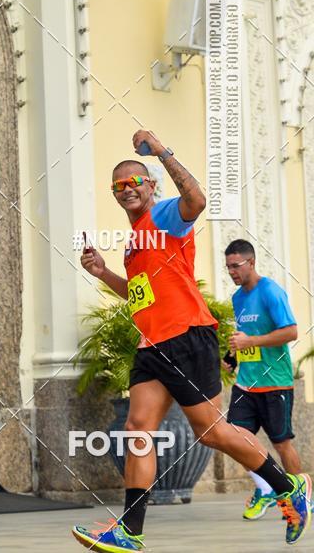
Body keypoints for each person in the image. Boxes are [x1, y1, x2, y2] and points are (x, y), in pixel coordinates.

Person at [71, 130, 311, 551]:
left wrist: (161, 150)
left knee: (212, 433)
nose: (126, 189)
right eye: (118, 186)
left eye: (134, 182)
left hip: (186, 336)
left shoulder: (165, 215)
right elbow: (138, 294)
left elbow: (197, 200)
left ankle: (288, 487)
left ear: (150, 187)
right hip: (152, 344)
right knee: (137, 428)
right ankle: (130, 531)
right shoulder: (133, 244)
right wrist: (103, 273)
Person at [223, 238, 304, 523]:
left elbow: (292, 331)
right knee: (233, 439)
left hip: (276, 383)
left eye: (236, 266)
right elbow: (244, 337)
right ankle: (266, 488)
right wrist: (232, 357)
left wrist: (251, 340)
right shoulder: (237, 299)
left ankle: (299, 496)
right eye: (228, 267)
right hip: (246, 382)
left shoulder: (271, 292)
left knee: (282, 444)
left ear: (251, 262)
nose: (232, 272)